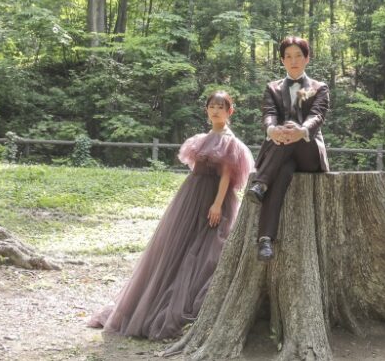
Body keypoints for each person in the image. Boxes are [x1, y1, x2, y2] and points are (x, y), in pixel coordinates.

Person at [87, 91, 254, 340]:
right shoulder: (202, 139)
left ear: (230, 112)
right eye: (212, 106)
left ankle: (193, 304)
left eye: (221, 107)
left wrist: (217, 205)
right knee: (177, 247)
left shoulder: (230, 142)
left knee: (208, 249)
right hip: (191, 198)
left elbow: (227, 177)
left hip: (214, 200)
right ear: (206, 110)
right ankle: (153, 301)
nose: (215, 111)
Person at [246, 36, 330, 261]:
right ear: (282, 60)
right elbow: (269, 114)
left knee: (292, 134)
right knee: (283, 171)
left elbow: (317, 115)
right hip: (281, 152)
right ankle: (265, 240)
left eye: (298, 56)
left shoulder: (319, 88)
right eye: (288, 57)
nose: (294, 61)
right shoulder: (272, 88)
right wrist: (272, 129)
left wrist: (301, 131)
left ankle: (261, 183)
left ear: (307, 59)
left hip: (308, 151)